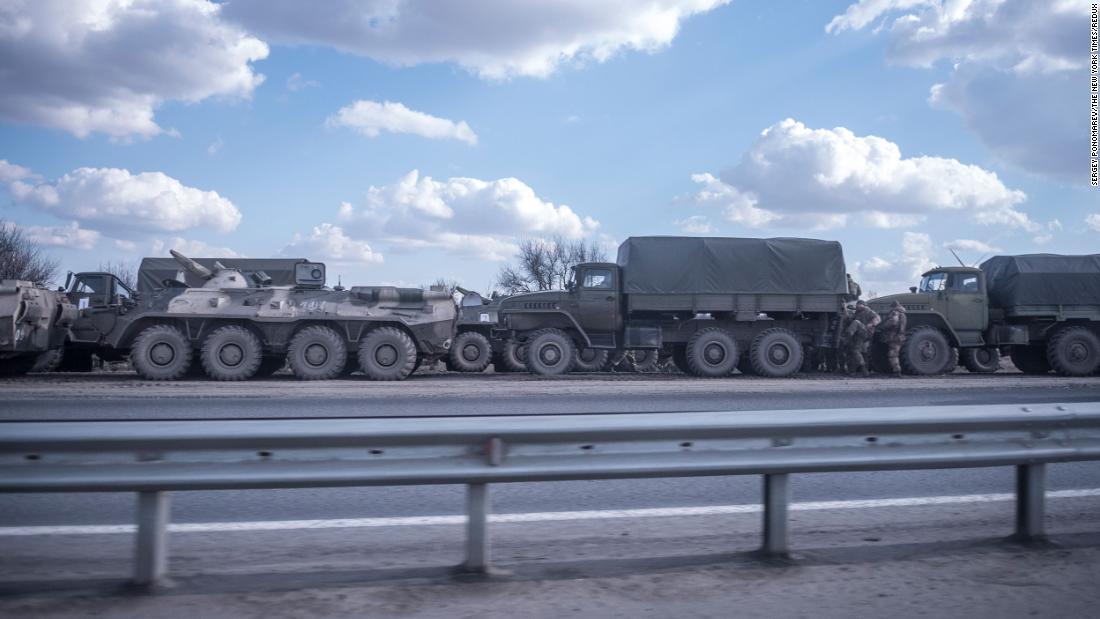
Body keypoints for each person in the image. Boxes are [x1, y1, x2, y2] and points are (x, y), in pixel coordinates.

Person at [845, 300, 881, 376]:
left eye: (859, 305)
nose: (858, 306)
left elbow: (878, 319)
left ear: (864, 305)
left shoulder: (869, 311)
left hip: (866, 331)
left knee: (856, 322)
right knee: (859, 351)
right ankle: (860, 370)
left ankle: (848, 337)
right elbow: (850, 320)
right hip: (860, 335)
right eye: (857, 305)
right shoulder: (857, 313)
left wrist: (870, 324)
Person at [879, 300, 908, 376]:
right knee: (895, 354)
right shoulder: (903, 314)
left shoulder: (895, 313)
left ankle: (897, 372)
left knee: (893, 354)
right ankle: (897, 371)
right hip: (900, 336)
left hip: (895, 336)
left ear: (893, 306)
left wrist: (883, 326)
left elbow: (893, 322)